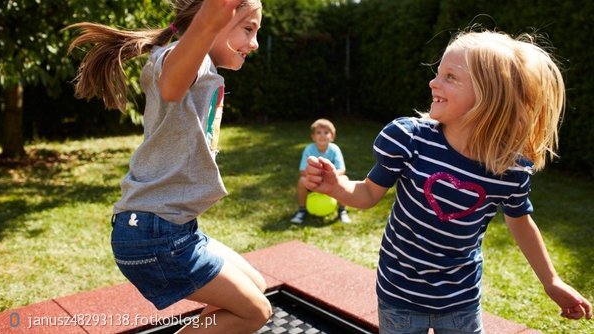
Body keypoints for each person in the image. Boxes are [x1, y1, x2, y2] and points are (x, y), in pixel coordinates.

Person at [304, 30, 592, 333]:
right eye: (437, 73)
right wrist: (337, 187)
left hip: (460, 301)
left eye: (450, 77)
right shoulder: (408, 140)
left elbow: (521, 222)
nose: (433, 82)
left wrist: (551, 281)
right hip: (399, 295)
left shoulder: (509, 170)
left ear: (488, 96)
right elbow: (367, 194)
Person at [66, 1, 272, 333]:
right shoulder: (185, 59)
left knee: (254, 286)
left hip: (175, 229)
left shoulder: (200, 66)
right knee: (255, 312)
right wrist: (206, 22)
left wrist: (208, 25)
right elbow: (172, 84)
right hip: (155, 234)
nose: (255, 42)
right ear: (216, 19)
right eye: (248, 29)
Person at [291, 118, 351, 224]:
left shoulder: (335, 149)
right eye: (318, 132)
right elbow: (302, 170)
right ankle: (302, 210)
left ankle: (342, 210)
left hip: (331, 180)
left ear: (332, 136)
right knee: (301, 181)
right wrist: (317, 176)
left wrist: (329, 176)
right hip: (313, 181)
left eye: (326, 132)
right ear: (313, 137)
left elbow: (342, 169)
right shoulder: (309, 149)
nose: (322, 135)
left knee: (345, 179)